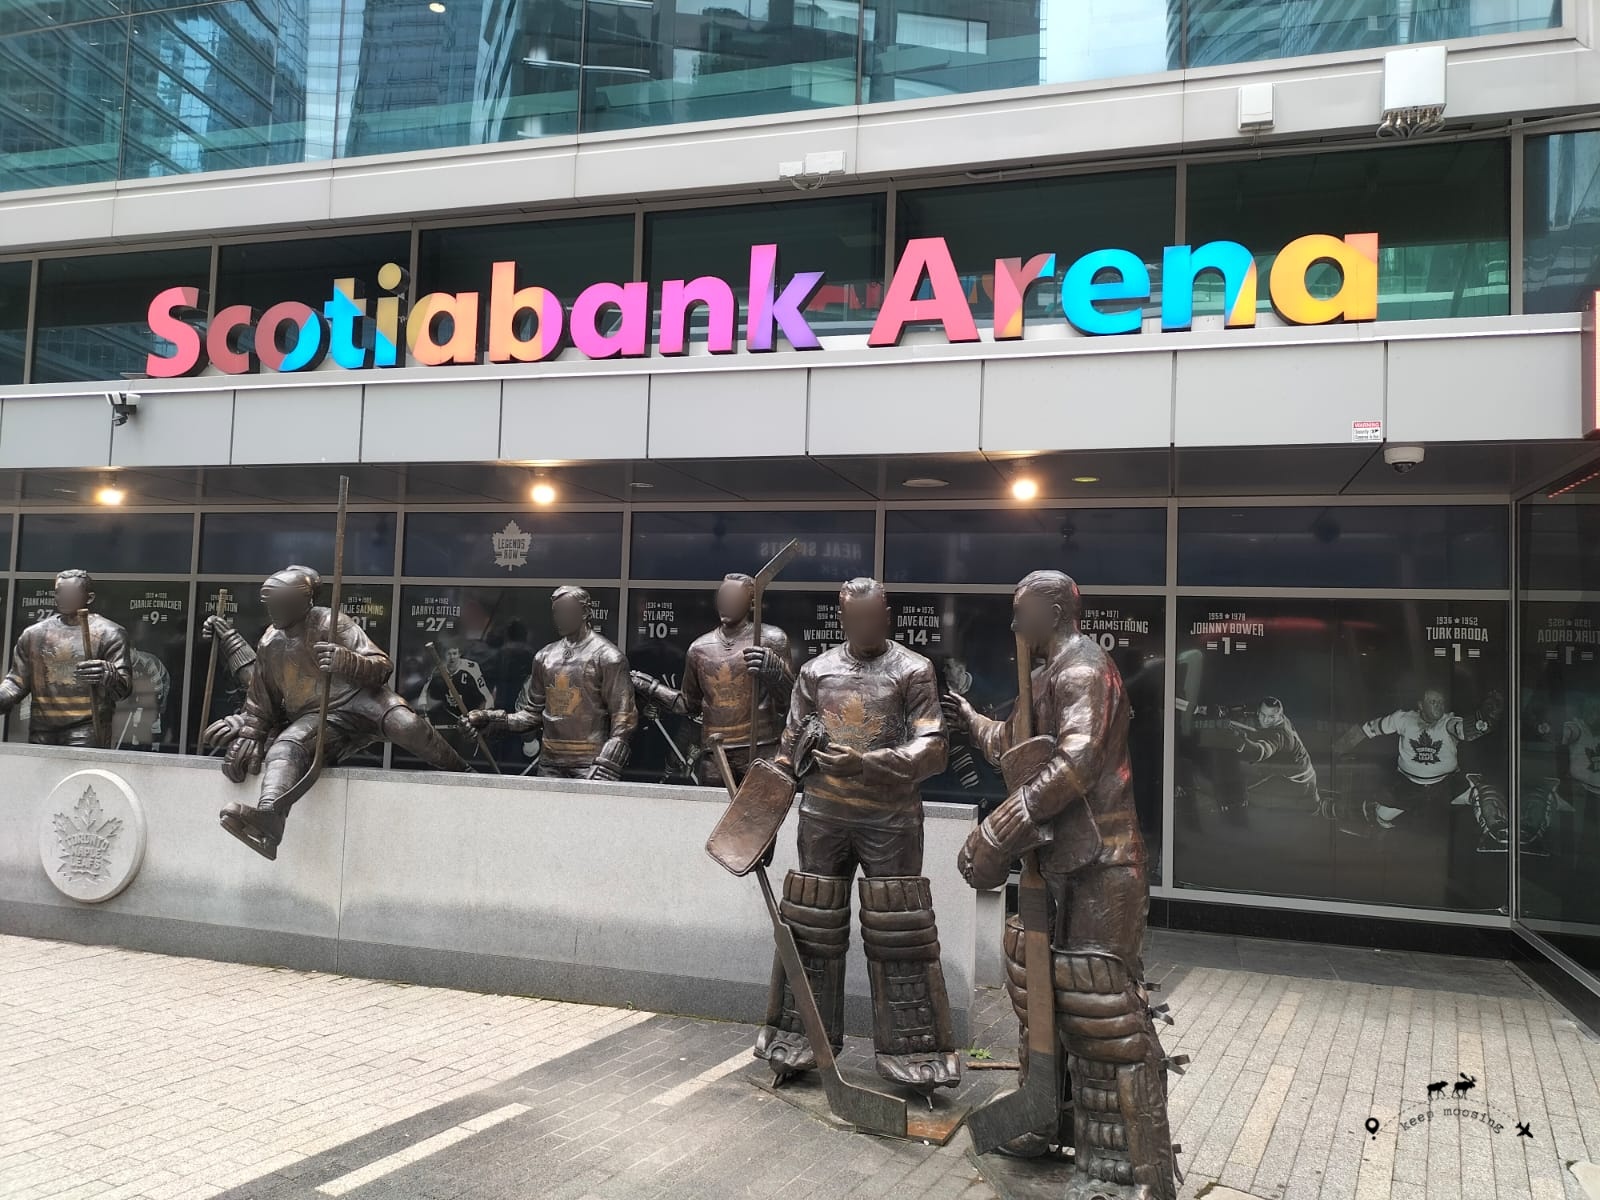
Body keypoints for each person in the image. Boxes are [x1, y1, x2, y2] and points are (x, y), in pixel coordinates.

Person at [946, 570, 1177, 1197]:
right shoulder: (1044, 675)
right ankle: (1047, 1116)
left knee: (1097, 1004)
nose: (1016, 627)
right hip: (1057, 861)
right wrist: (968, 717)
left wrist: (999, 831)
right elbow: (1014, 744)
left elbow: (1076, 761)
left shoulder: (1084, 670)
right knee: (1040, 988)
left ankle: (1122, 1162)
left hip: (1101, 859)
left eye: (1023, 614)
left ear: (1053, 610)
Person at [754, 577, 961, 1094]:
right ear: (842, 618)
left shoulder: (913, 669)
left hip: (891, 819)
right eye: (857, 618)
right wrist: (769, 802)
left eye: (877, 616)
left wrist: (865, 763)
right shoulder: (816, 671)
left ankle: (915, 1049)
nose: (868, 626)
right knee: (811, 923)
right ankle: (799, 1037)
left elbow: (933, 747)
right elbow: (788, 745)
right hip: (822, 813)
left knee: (899, 927)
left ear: (886, 614)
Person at [204, 566, 468, 859]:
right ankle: (270, 817)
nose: (273, 611)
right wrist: (252, 732)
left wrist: (346, 660)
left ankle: (465, 775)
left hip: (365, 700)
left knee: (408, 726)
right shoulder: (270, 643)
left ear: (304, 603)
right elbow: (260, 699)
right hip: (320, 716)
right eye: (270, 604)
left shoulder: (333, 623)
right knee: (286, 749)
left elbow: (382, 667)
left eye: (280, 604)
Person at [631, 572, 794, 786]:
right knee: (712, 811)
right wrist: (651, 687)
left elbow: (790, 703)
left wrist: (776, 674)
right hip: (715, 753)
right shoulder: (699, 649)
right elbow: (689, 705)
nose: (726, 603)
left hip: (761, 749)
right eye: (723, 597)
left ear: (752, 603)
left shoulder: (772, 640)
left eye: (734, 598)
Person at [466, 586, 638, 779]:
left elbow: (624, 717)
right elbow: (531, 715)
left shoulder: (608, 657)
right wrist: (492, 720)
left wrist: (609, 760)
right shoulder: (545, 657)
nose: (560, 617)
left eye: (567, 611)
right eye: (557, 612)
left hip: (590, 763)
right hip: (549, 762)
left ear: (585, 612)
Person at [1333, 685, 1502, 830]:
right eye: (1433, 702)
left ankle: (1498, 830)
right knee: (1374, 816)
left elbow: (1463, 730)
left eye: (1441, 702)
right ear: (1420, 705)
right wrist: (1337, 748)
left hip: (1445, 785)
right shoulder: (1402, 719)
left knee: (1484, 792)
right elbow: (1368, 729)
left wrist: (1484, 722)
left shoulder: (1448, 721)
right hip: (1408, 787)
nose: (1439, 706)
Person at [0, 569, 132, 747]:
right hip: (42, 727)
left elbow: (123, 689)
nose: (63, 597)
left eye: (71, 592)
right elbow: (16, 683)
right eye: (59, 592)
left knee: (82, 774)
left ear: (89, 598)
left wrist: (108, 675)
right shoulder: (33, 635)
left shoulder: (109, 633)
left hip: (87, 727)